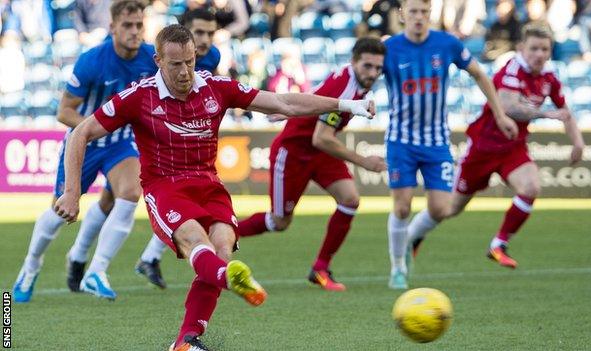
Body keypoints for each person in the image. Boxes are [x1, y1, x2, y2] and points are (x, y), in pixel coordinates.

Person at [53, 24, 375, 351]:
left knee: (223, 245)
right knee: (195, 240)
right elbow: (81, 133)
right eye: (176, 64)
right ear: (158, 61)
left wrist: (346, 105)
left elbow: (283, 103)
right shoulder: (138, 96)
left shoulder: (216, 88)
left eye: (190, 62)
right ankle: (228, 279)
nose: (185, 72)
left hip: (208, 184)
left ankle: (186, 340)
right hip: (165, 188)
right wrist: (71, 191)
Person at [12, 0, 157, 303]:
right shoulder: (92, 60)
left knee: (131, 193)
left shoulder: (149, 59)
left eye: (138, 25)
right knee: (60, 212)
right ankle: (31, 265)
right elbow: (64, 112)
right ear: (112, 27)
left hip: (120, 143)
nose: (134, 31)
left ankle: (96, 271)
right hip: (84, 143)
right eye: (127, 26)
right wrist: (96, 128)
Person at [412, 23, 585, 269]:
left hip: (513, 148)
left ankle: (498, 244)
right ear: (521, 48)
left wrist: (577, 142)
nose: (540, 54)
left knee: (531, 187)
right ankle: (413, 235)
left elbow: (565, 112)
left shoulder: (549, 78)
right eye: (534, 48)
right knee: (449, 209)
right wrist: (546, 115)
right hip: (482, 148)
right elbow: (508, 107)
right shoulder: (511, 70)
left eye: (545, 49)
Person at [383, 0, 518, 290]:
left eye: (423, 12)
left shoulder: (447, 44)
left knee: (442, 208)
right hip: (400, 141)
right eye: (413, 12)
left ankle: (408, 241)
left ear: (430, 14)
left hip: (436, 141)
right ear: (402, 14)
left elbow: (480, 74)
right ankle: (397, 268)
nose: (418, 18)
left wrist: (499, 113)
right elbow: (361, 77)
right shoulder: (389, 48)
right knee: (403, 208)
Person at [237, 37, 387, 291]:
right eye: (367, 66)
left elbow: (316, 102)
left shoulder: (352, 80)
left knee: (350, 199)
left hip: (318, 151)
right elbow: (322, 137)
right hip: (294, 151)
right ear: (354, 62)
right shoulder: (345, 87)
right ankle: (221, 230)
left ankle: (320, 268)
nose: (373, 73)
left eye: (378, 68)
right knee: (279, 222)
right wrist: (363, 161)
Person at [135, 8, 222, 289]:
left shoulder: (213, 57)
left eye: (210, 33)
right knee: (120, 196)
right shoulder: (160, 58)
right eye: (199, 32)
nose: (206, 39)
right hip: (150, 132)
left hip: (186, 133)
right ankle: (86, 263)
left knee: (188, 205)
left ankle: (150, 257)